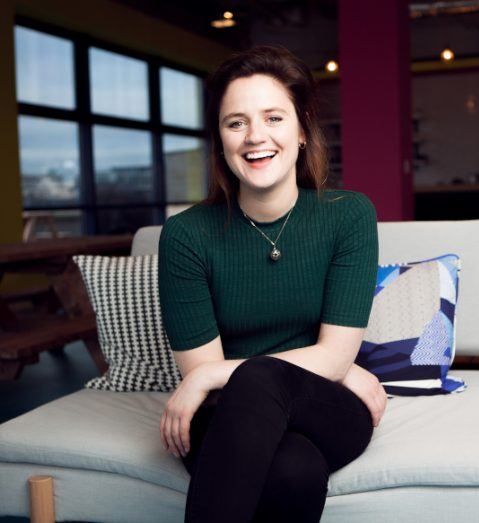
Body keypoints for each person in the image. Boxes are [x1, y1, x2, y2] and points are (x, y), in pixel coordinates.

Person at [157, 45, 387, 523]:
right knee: (293, 472)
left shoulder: (349, 216)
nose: (254, 137)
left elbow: (333, 355)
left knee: (258, 377)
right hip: (225, 415)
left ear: (302, 131)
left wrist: (207, 376)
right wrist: (205, 375)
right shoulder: (185, 235)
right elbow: (209, 374)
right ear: (219, 139)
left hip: (324, 406)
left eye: (274, 118)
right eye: (235, 122)